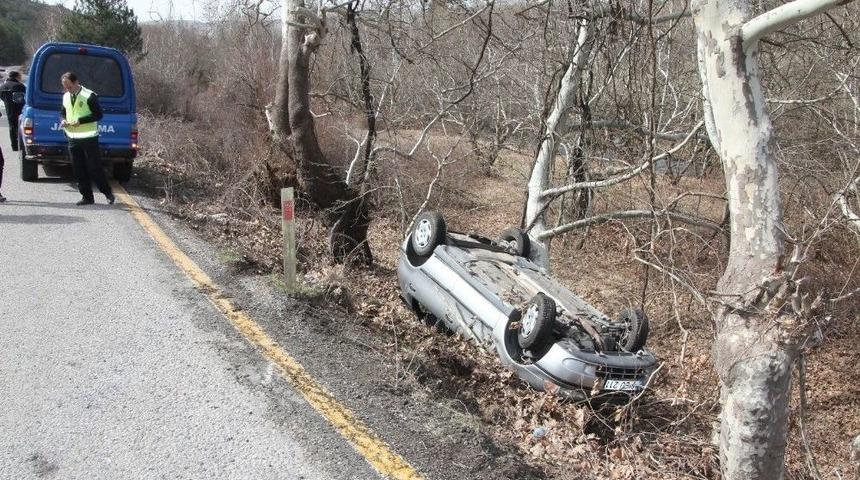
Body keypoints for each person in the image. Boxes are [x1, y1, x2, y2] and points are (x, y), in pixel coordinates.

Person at [59, 72, 114, 205]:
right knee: (78, 169)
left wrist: (81, 121)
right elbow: (63, 112)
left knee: (95, 168)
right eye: (65, 87)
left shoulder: (89, 95)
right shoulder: (66, 96)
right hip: (72, 137)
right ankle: (87, 197)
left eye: (69, 86)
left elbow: (98, 115)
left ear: (76, 82)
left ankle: (107, 193)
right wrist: (63, 121)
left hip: (89, 137)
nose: (68, 89)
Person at [0, 71, 26, 152]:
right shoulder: (19, 85)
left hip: (9, 109)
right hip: (20, 109)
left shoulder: (2, 86)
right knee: (21, 127)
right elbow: (26, 97)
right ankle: (21, 145)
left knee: (12, 127)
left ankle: (14, 146)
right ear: (17, 77)